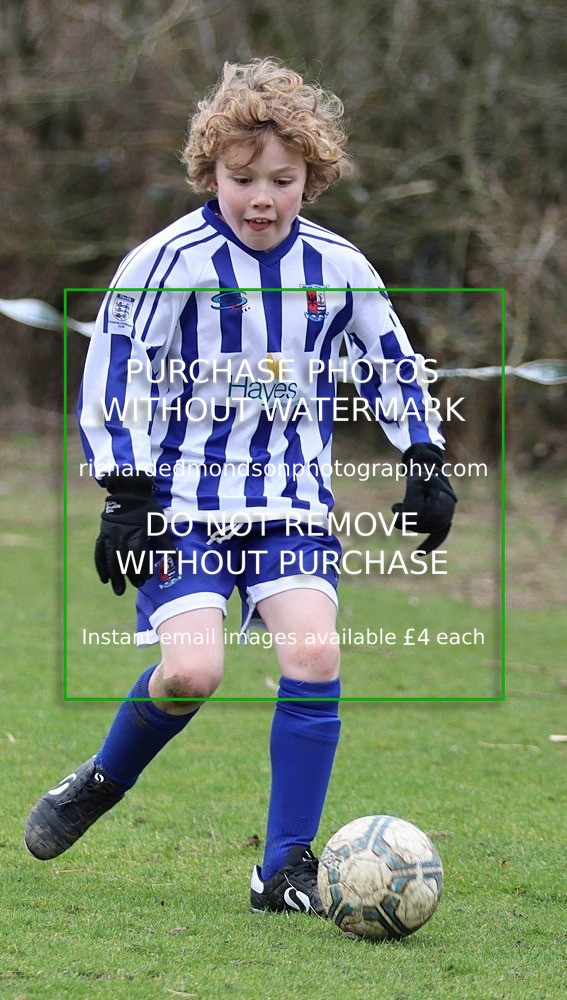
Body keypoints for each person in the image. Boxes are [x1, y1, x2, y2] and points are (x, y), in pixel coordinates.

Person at [24, 58, 456, 914]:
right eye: (241, 178)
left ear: (313, 177)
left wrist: (424, 458)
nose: (261, 198)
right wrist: (125, 493)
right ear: (210, 172)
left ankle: (283, 869)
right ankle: (103, 780)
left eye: (282, 180)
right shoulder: (168, 260)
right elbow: (116, 373)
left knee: (314, 652)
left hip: (289, 499)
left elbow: (388, 362)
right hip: (181, 502)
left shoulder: (336, 265)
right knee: (191, 671)